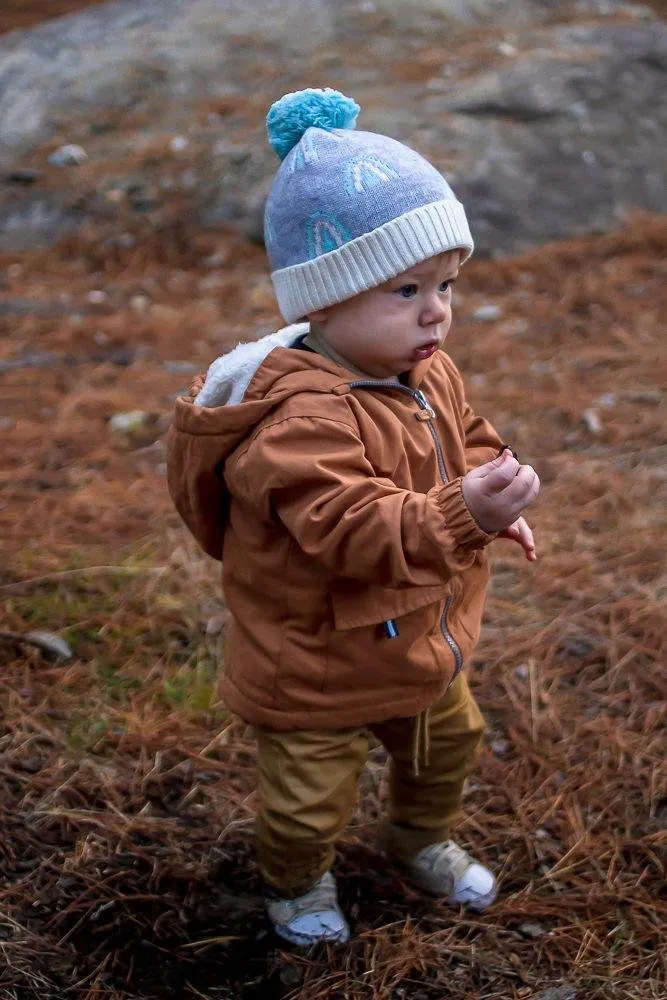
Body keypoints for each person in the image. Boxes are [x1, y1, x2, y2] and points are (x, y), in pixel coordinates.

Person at [167, 88, 540, 947]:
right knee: (308, 796)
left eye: (445, 283)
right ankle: (295, 883)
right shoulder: (297, 418)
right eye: (406, 287)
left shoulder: (425, 367)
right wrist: (461, 513)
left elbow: (467, 439)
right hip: (317, 664)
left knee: (446, 748)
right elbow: (350, 527)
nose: (435, 310)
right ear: (324, 300)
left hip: (418, 642)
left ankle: (420, 840)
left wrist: (490, 492)